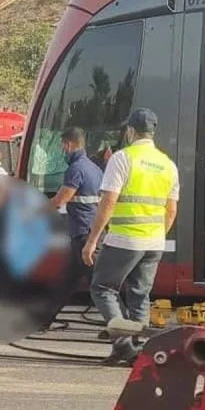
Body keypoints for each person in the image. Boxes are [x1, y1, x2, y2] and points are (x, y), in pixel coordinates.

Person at [82, 108, 179, 366]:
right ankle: (139, 350)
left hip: (124, 239)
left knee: (102, 288)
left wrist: (93, 239)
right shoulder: (168, 165)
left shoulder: (123, 158)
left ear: (131, 131)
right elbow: (171, 210)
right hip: (155, 240)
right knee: (139, 294)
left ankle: (123, 344)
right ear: (153, 132)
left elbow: (108, 202)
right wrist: (156, 235)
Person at [46, 127, 104, 323]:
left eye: (63, 146)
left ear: (68, 145)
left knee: (99, 287)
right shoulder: (95, 168)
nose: (63, 150)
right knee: (66, 281)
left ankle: (120, 325)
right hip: (88, 232)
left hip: (83, 235)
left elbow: (61, 199)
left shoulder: (76, 169)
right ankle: (44, 319)